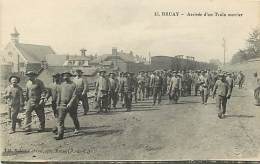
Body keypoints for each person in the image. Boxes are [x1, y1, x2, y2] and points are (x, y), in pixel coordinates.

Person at [55, 72, 80, 140]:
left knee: (74, 117)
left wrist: (70, 103)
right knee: (60, 119)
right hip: (62, 104)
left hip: (72, 105)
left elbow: (75, 95)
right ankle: (60, 134)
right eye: (64, 76)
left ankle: (77, 128)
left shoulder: (74, 84)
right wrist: (57, 104)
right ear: (62, 77)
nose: (65, 77)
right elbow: (59, 95)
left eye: (67, 76)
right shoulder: (61, 85)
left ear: (70, 76)